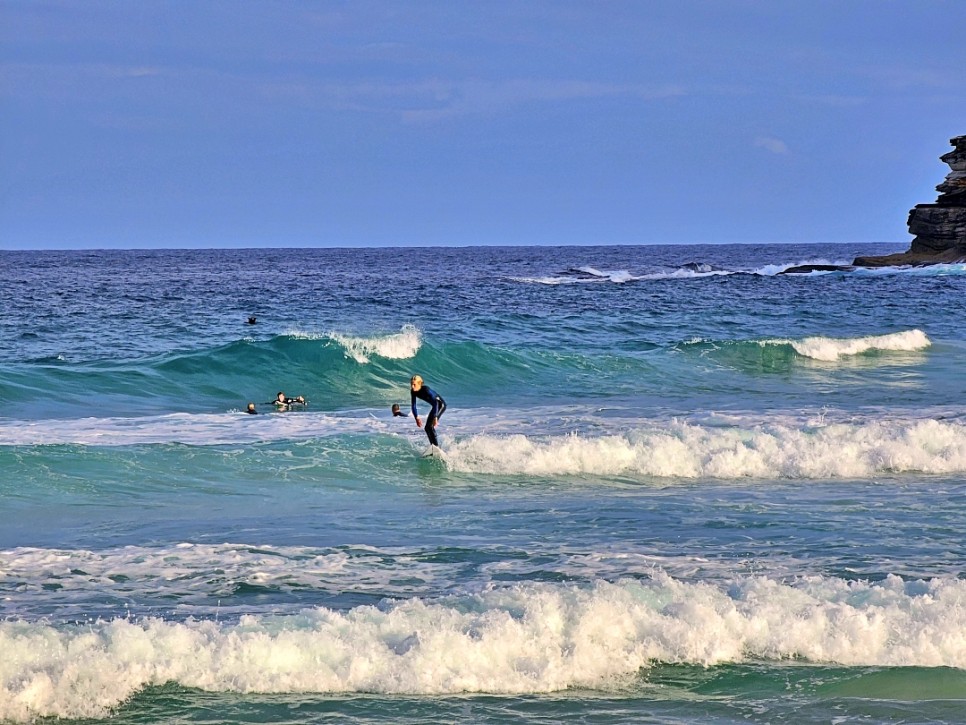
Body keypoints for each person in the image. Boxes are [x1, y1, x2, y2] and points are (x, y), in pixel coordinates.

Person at [409, 374, 446, 448]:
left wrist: (435, 417)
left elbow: (436, 402)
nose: (412, 386)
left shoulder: (426, 390)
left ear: (419, 384)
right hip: (435, 407)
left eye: (414, 384)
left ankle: (436, 447)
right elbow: (413, 405)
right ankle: (433, 447)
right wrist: (416, 417)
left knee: (430, 426)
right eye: (411, 384)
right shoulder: (413, 392)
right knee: (427, 428)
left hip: (440, 405)